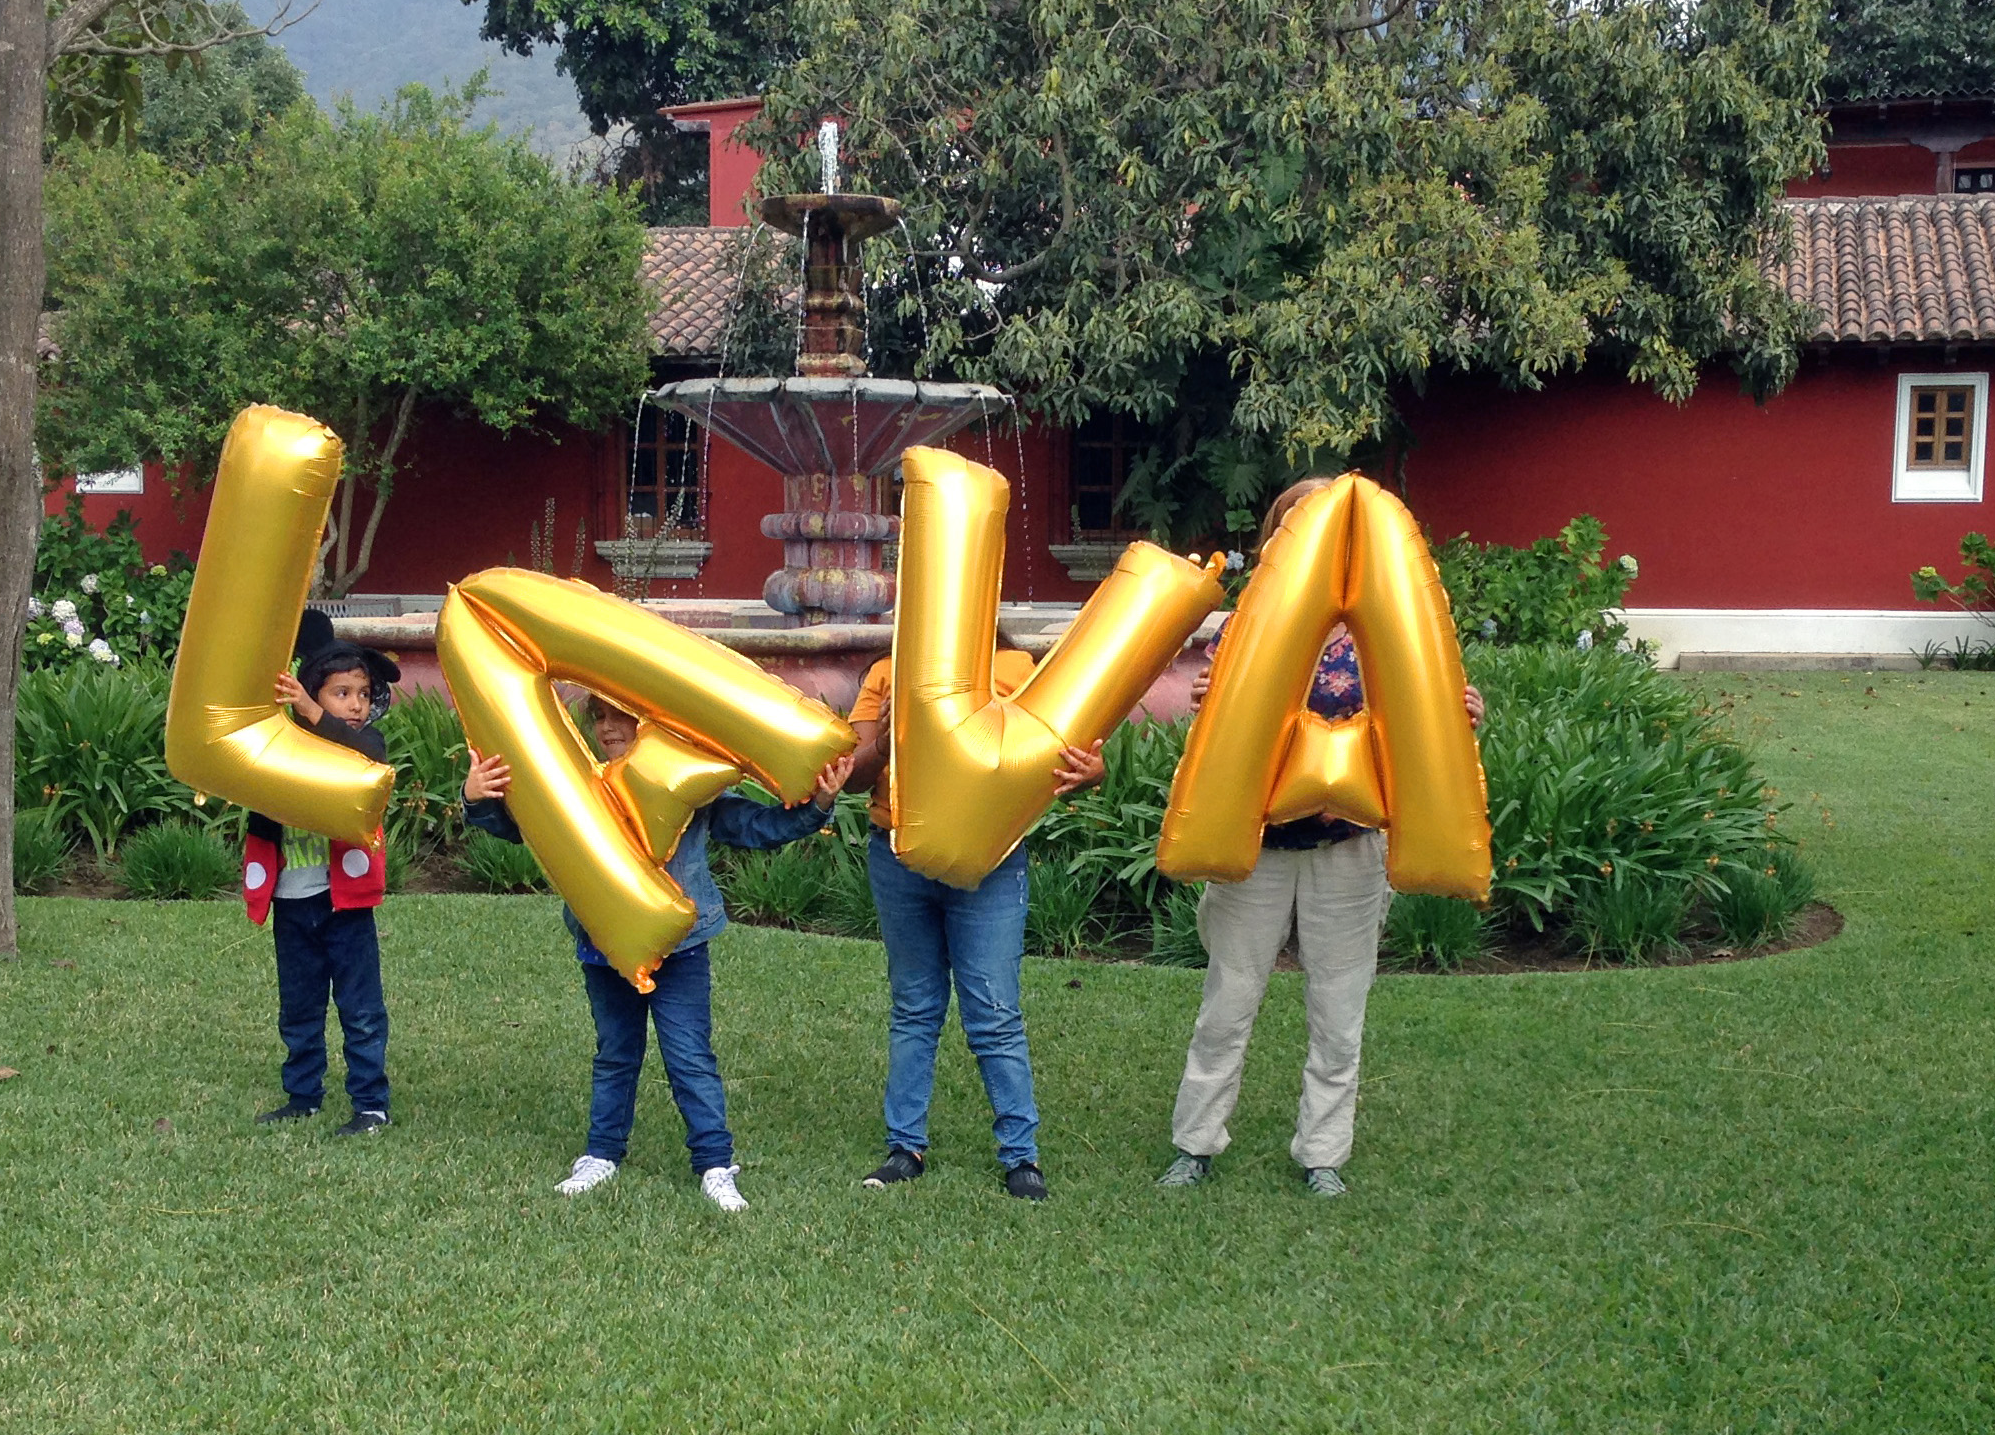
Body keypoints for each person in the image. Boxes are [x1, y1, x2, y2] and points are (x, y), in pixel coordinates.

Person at [1155, 480, 1483, 1197]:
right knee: (1228, 1001)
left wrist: (1459, 712)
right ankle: (1195, 1143)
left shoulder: (1388, 621)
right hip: (1259, 845)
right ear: (1281, 535)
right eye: (1302, 523)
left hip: (1349, 847)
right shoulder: (1247, 622)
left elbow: (1422, 725)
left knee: (1339, 1008)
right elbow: (1220, 732)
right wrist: (1209, 703)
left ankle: (1322, 1154)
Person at [461, 699, 853, 1213]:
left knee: (689, 1055)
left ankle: (715, 1163)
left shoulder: (681, 777)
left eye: (618, 717)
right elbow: (521, 822)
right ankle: (601, 1154)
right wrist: (476, 799)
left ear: (646, 720)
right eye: (598, 719)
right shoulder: (581, 780)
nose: (606, 728)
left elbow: (757, 826)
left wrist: (817, 806)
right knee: (615, 1053)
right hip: (605, 943)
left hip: (681, 946)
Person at [847, 639, 1103, 1202]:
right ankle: (904, 1146)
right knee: (915, 1004)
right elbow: (853, 774)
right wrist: (888, 737)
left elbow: (1063, 751)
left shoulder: (1017, 668)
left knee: (993, 1009)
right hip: (897, 855)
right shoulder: (887, 670)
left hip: (990, 859)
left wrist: (1093, 771)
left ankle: (1021, 1156)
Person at [246, 641, 404, 1137]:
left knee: (360, 1010)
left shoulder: (365, 749)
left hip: (345, 906)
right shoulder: (281, 749)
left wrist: (314, 710)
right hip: (291, 904)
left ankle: (371, 1104)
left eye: (362, 693)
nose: (356, 704)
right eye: (341, 693)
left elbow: (369, 755)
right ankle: (303, 1095)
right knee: (299, 1007)